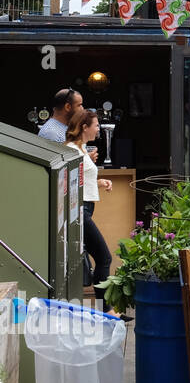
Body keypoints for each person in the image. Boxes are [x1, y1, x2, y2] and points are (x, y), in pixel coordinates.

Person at [65, 108, 114, 302]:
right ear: (84, 127)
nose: (98, 130)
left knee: (99, 257)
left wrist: (99, 183)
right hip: (80, 210)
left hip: (84, 208)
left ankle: (105, 307)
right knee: (104, 257)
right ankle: (106, 308)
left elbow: (81, 179)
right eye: (96, 126)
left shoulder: (81, 149)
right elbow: (71, 182)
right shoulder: (72, 150)